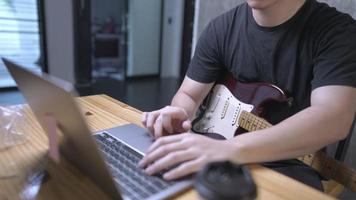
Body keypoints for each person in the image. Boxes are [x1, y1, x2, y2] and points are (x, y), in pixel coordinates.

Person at [139, 0, 356, 190]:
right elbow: (189, 94)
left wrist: (229, 149)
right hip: (213, 149)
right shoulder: (221, 27)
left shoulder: (338, 32)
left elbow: (334, 119)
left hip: (287, 164)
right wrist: (180, 113)